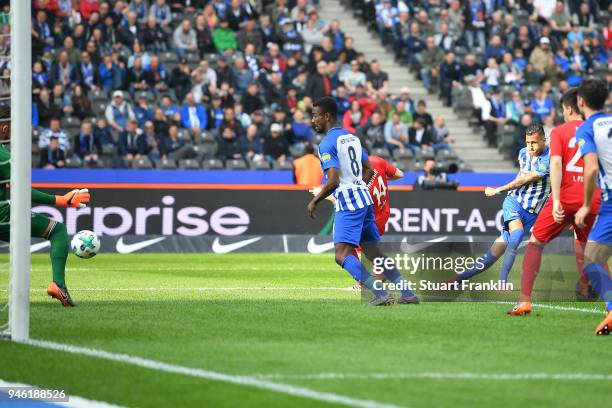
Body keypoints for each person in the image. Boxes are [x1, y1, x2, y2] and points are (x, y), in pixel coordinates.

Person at [307, 96, 417, 306]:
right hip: (364, 199)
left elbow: (333, 180)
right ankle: (407, 293)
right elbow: (369, 169)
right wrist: (358, 185)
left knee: (341, 255)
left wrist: (315, 201)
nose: (314, 120)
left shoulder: (327, 143)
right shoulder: (352, 137)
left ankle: (380, 293)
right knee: (374, 251)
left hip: (348, 203)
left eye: (315, 116)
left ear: (327, 116)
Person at [509, 88, 602, 316]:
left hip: (566, 195)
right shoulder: (598, 131)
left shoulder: (560, 132)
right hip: (591, 197)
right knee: (589, 247)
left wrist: (558, 200)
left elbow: (556, 165)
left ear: (569, 108)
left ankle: (524, 301)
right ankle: (594, 292)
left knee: (536, 242)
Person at [0, 107, 90, 306]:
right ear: (5, 128)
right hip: (1, 215)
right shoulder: (3, 154)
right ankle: (58, 285)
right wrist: (61, 200)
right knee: (57, 230)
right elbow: (22, 190)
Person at [455, 123, 550, 285]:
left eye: (534, 142)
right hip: (514, 202)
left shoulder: (549, 160)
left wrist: (497, 189)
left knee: (491, 256)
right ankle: (502, 281)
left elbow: (526, 179)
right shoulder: (523, 153)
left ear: (544, 140)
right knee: (518, 234)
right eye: (527, 142)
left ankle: (456, 279)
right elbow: (520, 176)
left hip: (532, 213)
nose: (530, 147)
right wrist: (504, 191)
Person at [573, 79, 612, 335]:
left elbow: (591, 168)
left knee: (592, 260)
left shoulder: (586, 128)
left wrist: (586, 205)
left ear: (581, 102)